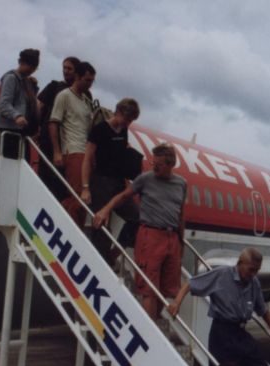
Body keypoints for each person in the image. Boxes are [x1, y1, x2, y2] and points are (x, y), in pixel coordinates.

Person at [168, 247, 270, 366]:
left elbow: (264, 311)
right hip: (222, 333)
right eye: (251, 270)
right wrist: (176, 302)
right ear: (240, 263)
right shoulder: (222, 275)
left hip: (241, 333)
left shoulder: (254, 283)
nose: (254, 274)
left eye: (257, 270)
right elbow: (191, 284)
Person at [92, 143, 186, 321]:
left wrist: (181, 244)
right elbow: (123, 196)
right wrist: (105, 210)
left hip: (172, 237)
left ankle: (152, 326)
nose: (154, 167)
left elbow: (181, 215)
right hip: (150, 235)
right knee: (148, 288)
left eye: (158, 164)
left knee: (166, 290)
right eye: (153, 163)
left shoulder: (181, 184)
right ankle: (150, 338)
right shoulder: (146, 179)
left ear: (170, 164)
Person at [81, 98, 141, 262]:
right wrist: (85, 187)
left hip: (119, 181)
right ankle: (99, 260)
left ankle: (114, 253)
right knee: (100, 222)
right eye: (127, 119)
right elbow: (87, 158)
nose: (128, 124)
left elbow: (121, 156)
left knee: (136, 217)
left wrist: (127, 183)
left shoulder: (123, 130)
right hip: (101, 180)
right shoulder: (99, 130)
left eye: (131, 121)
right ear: (119, 112)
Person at [48, 61, 96, 227]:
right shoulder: (64, 95)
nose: (89, 84)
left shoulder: (86, 101)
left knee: (84, 198)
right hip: (73, 150)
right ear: (78, 77)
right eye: (87, 80)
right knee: (77, 196)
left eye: (92, 81)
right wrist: (57, 151)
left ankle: (75, 229)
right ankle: (68, 228)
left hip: (86, 151)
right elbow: (54, 122)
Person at [38, 56, 86, 200]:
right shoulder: (54, 87)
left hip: (69, 146)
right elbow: (38, 107)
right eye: (64, 68)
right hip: (50, 143)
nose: (65, 71)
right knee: (47, 180)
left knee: (63, 186)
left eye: (69, 68)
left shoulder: (83, 95)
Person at [0, 48, 40, 161]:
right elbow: (3, 104)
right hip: (8, 132)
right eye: (29, 66)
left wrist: (33, 88)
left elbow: (25, 102)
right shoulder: (11, 78)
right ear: (21, 62)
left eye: (34, 68)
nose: (31, 70)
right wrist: (16, 116)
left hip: (20, 132)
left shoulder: (26, 81)